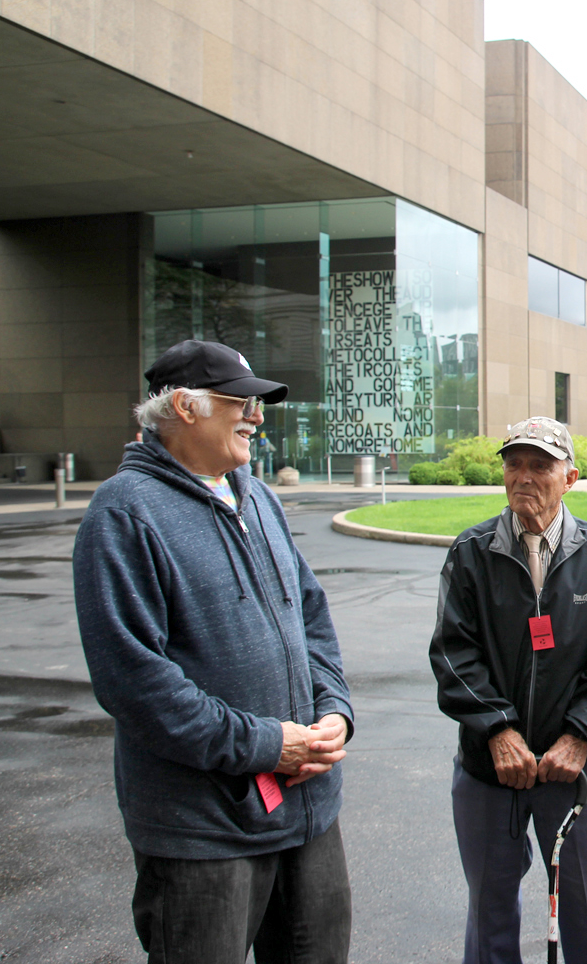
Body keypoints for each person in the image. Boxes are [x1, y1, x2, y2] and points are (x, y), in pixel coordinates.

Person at [73, 340, 354, 964]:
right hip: (202, 833)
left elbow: (310, 618)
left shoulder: (258, 497)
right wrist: (265, 745)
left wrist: (333, 711)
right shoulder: (123, 514)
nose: (257, 417)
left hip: (307, 813)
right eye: (241, 403)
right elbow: (134, 682)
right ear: (185, 407)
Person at [430, 416, 587, 964]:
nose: (523, 476)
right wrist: (498, 730)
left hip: (574, 770)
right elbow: (454, 652)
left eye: (540, 466)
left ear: (569, 477)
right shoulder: (470, 553)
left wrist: (578, 739)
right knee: (489, 914)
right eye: (513, 463)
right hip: (489, 768)